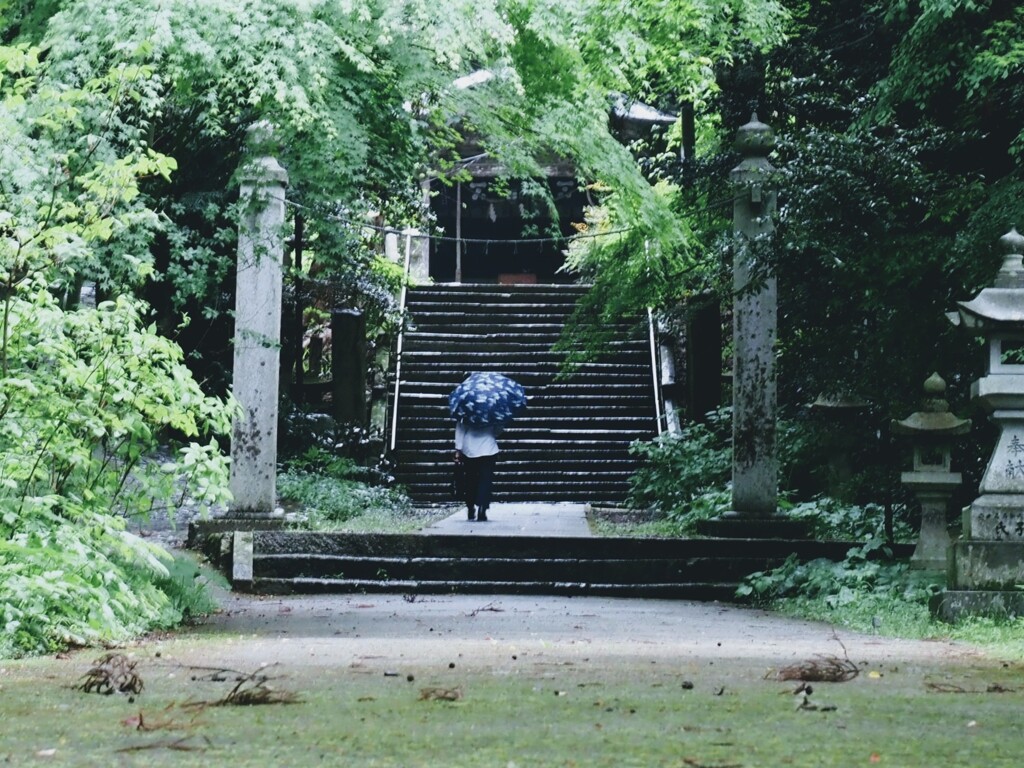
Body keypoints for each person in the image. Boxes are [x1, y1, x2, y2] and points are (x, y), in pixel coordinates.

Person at [454, 421, 499, 521]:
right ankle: (482, 506)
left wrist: (458, 449)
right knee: (486, 480)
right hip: (488, 447)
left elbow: (460, 428)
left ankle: (470, 506)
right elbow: (497, 430)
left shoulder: (466, 408)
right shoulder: (493, 409)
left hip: (470, 448)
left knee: (470, 479)